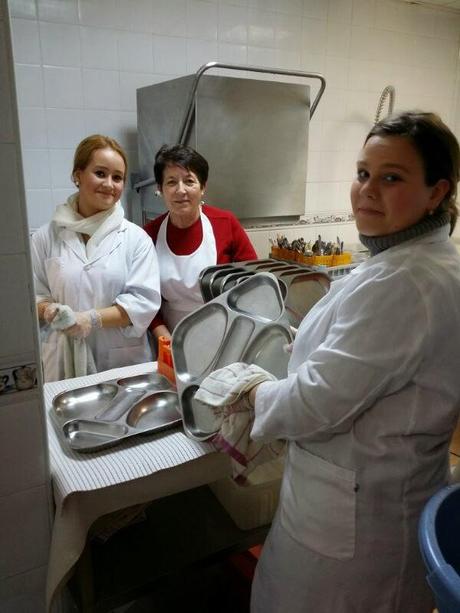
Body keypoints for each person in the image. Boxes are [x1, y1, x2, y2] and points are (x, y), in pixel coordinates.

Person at [197, 112, 460, 612]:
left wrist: (253, 391)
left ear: (436, 191)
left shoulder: (407, 282)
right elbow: (365, 362)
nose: (367, 190)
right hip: (366, 496)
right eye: (363, 174)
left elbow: (314, 402)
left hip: (358, 523)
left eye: (392, 178)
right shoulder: (407, 262)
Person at [32, 135, 161, 382]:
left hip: (122, 362)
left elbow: (142, 302)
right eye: (100, 173)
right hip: (62, 360)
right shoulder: (45, 237)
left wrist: (91, 319)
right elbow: (34, 295)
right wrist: (49, 310)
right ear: (77, 175)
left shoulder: (136, 238)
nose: (109, 184)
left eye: (117, 177)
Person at [144, 144, 257, 338]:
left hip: (225, 332)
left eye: (189, 181)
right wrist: (164, 337)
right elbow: (144, 297)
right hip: (170, 337)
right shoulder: (149, 234)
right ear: (160, 189)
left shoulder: (225, 223)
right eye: (171, 182)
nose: (181, 190)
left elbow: (253, 282)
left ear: (203, 187)